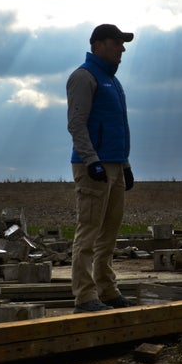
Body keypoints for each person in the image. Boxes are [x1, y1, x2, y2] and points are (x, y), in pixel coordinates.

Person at [66, 23, 138, 313]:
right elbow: (76, 124)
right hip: (93, 167)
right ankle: (84, 296)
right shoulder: (84, 77)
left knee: (109, 233)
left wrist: (125, 164)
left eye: (123, 43)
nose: (122, 49)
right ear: (98, 45)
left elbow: (116, 127)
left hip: (115, 165)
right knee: (88, 232)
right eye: (116, 42)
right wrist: (92, 160)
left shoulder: (112, 81)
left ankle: (107, 290)